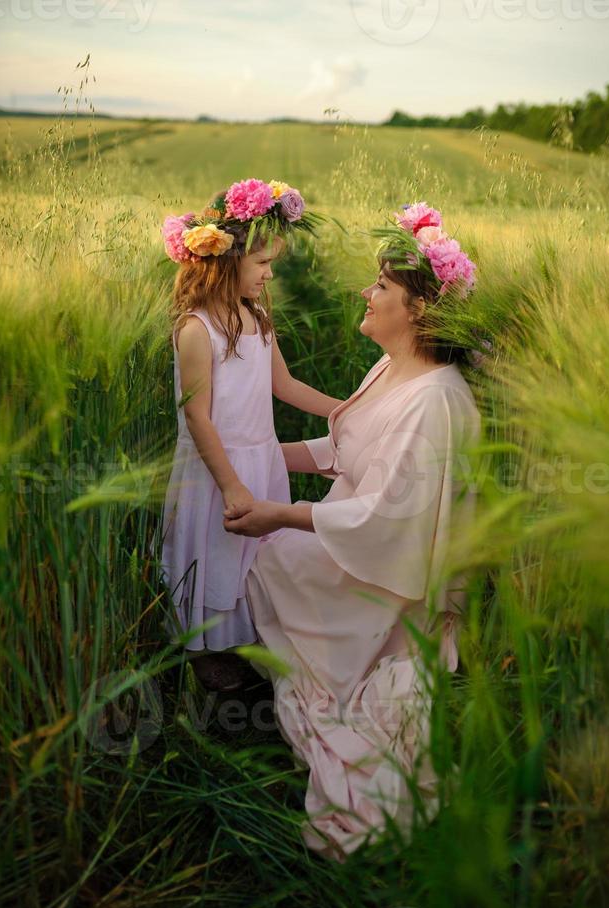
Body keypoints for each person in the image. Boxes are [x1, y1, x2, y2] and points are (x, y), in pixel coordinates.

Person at [224, 202, 482, 860]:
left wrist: (278, 511)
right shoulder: (393, 370)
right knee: (264, 545)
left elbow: (386, 516)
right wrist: (251, 458)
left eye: (382, 289)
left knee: (267, 550)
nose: (366, 294)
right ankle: (249, 671)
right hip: (364, 553)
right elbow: (345, 446)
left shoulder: (437, 401)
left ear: (417, 311)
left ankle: (244, 680)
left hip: (384, 583)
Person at [158, 180, 341, 692]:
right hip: (218, 465)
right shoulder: (197, 329)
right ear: (224, 260)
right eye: (262, 264)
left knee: (259, 562)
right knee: (216, 553)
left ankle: (253, 640)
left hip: (262, 458)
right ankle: (207, 652)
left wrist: (350, 412)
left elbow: (284, 385)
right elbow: (199, 419)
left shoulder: (257, 316)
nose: (270, 273)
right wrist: (233, 485)